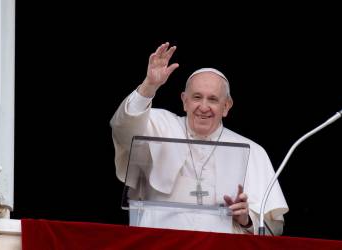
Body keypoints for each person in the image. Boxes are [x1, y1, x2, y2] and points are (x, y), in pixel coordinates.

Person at [110, 42, 288, 235]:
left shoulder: (252, 151)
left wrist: (246, 220)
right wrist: (149, 86)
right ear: (184, 101)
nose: (203, 107)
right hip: (159, 243)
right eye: (196, 97)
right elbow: (123, 129)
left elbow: (272, 228)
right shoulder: (159, 125)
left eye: (213, 99)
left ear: (226, 106)